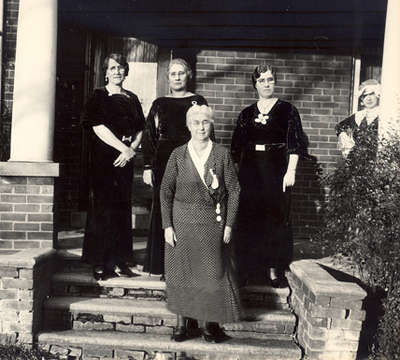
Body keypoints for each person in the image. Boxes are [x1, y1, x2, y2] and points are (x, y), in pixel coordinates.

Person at [160, 104, 241, 343]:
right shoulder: (178, 154)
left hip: (211, 224)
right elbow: (165, 191)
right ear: (188, 126)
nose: (201, 127)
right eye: (196, 123)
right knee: (181, 274)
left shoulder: (221, 154)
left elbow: (234, 191)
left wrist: (228, 225)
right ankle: (181, 325)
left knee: (210, 274)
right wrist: (167, 225)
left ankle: (208, 325)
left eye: (205, 122)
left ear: (211, 124)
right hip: (181, 222)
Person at [230, 64, 307, 288]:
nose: (266, 84)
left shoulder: (287, 110)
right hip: (250, 170)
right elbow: (236, 148)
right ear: (255, 84)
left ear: (275, 82)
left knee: (275, 218)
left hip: (276, 169)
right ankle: (247, 270)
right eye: (262, 80)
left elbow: (294, 143)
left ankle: (274, 270)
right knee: (249, 218)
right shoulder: (246, 113)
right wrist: (235, 175)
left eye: (270, 79)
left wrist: (290, 170)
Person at [81, 53, 145, 280]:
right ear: (106, 72)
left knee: (120, 209)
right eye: (112, 68)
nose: (117, 72)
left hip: (124, 161)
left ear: (126, 71)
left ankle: (119, 261)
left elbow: (140, 129)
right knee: (103, 209)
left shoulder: (132, 98)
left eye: (121, 68)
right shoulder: (99, 96)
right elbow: (98, 127)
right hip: (104, 159)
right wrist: (123, 149)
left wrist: (131, 150)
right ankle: (99, 263)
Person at [142, 58, 207, 277]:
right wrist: (148, 166)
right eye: (173, 74)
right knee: (165, 209)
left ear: (188, 75)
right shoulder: (160, 103)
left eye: (181, 73)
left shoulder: (198, 101)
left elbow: (207, 133)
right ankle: (162, 264)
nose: (177, 77)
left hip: (191, 159)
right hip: (163, 161)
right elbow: (149, 135)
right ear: (168, 77)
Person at [336, 79, 380, 158]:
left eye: (371, 94)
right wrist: (348, 145)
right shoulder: (359, 116)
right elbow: (339, 127)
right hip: (357, 159)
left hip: (377, 159)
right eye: (365, 96)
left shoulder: (384, 115)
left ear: (377, 95)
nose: (368, 98)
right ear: (362, 99)